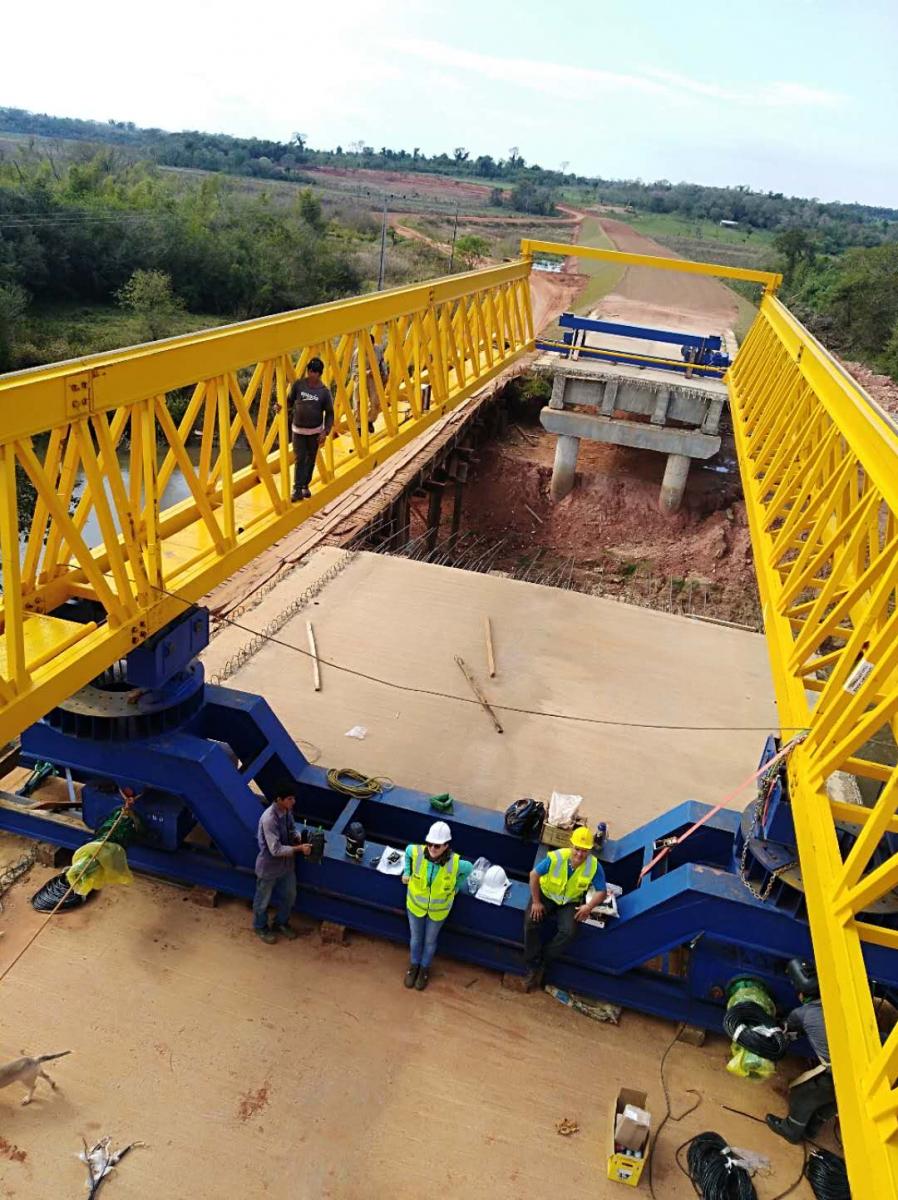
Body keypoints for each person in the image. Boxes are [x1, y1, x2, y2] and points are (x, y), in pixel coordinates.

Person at [523, 826, 608, 989]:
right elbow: (534, 875)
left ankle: (544, 960)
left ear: (590, 851)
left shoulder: (594, 866)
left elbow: (601, 892)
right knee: (531, 922)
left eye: (584, 851)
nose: (579, 854)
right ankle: (532, 965)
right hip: (546, 895)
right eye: (577, 849)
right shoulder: (556, 858)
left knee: (569, 931)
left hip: (569, 902)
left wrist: (588, 906)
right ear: (570, 845)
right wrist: (536, 901)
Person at [401, 820, 473, 991]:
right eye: (430, 844)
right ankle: (414, 966)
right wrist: (407, 871)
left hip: (438, 912)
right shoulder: (417, 852)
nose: (432, 848)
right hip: (415, 906)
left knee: (430, 941)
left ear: (446, 846)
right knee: (416, 939)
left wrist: (456, 886)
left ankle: (424, 970)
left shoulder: (455, 863)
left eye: (438, 845)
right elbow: (407, 852)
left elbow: (469, 869)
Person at [766, 992, 835, 1144]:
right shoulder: (837, 1006)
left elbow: (785, 1034)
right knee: (834, 1101)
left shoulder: (803, 1013)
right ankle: (812, 1129)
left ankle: (791, 1129)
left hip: (833, 1073)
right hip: (863, 1072)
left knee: (802, 1094)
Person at [252, 787, 312, 943]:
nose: (293, 802)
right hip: (269, 868)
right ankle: (260, 927)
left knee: (290, 896)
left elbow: (292, 829)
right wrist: (299, 848)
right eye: (290, 799)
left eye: (293, 798)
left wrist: (298, 837)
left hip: (286, 867)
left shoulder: (286, 811)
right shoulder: (269, 819)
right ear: (279, 799)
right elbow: (275, 850)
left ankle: (281, 923)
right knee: (262, 901)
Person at [287, 356, 334, 501]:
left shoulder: (324, 392)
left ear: (319, 374)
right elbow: (289, 401)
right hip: (298, 431)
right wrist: (281, 407)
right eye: (310, 371)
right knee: (299, 458)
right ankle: (296, 489)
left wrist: (325, 432)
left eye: (314, 372)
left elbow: (330, 413)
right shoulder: (299, 385)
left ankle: (305, 485)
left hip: (314, 432)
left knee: (310, 460)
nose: (311, 374)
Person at [350, 333, 388, 434]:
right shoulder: (357, 353)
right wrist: (366, 372)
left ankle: (369, 420)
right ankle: (358, 425)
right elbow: (354, 369)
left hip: (373, 377)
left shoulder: (377, 350)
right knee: (358, 402)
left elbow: (382, 362)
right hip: (360, 377)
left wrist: (385, 374)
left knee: (376, 401)